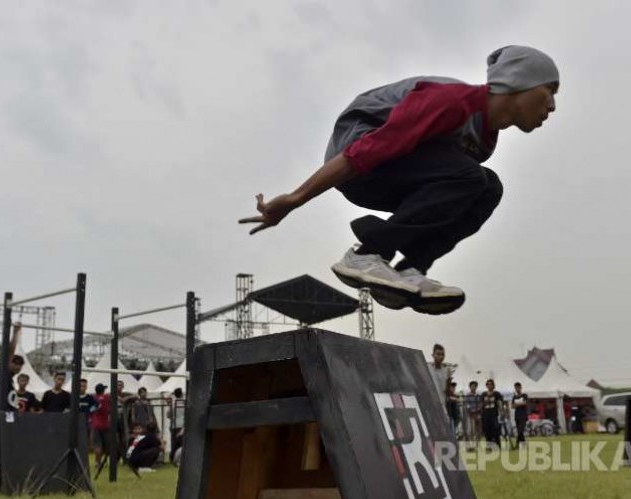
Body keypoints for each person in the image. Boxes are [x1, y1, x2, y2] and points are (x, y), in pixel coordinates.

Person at [239, 46, 559, 315]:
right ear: (519, 83)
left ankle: (410, 269)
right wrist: (295, 200)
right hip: (360, 151)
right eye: (549, 91)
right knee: (471, 176)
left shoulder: (483, 142)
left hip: (397, 174)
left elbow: (444, 197)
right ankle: (366, 254)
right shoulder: (451, 100)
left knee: (487, 187)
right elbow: (366, 151)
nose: (553, 106)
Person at [91, 384, 112, 468]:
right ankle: (102, 461)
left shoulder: (93, 397)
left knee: (97, 445)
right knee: (105, 444)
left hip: (96, 424)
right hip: (105, 424)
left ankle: (98, 462)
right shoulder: (107, 398)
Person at [481, 379, 504, 448]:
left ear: (493, 385)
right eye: (488, 384)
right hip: (485, 415)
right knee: (487, 432)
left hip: (494, 415)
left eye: (490, 384)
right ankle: (489, 446)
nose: (489, 385)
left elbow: (500, 403)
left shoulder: (496, 394)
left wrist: (502, 411)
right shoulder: (483, 394)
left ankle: (497, 445)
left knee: (495, 430)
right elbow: (481, 404)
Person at [167, 387, 186, 465]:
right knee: (181, 444)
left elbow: (168, 415)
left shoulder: (174, 403)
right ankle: (178, 459)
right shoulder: (184, 403)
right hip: (180, 425)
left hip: (175, 426)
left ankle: (173, 458)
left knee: (174, 444)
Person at [463, 381, 482, 451]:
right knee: (470, 431)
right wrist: (472, 412)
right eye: (472, 386)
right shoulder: (467, 396)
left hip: (478, 414)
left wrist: (478, 411)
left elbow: (480, 404)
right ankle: (470, 446)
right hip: (471, 415)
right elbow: (467, 406)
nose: (473, 387)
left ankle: (477, 445)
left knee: (478, 431)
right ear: (470, 387)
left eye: (474, 386)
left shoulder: (478, 395)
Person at [511, 382, 528, 446]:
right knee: (519, 431)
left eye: (518, 388)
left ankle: (517, 444)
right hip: (517, 415)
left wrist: (516, 404)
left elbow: (524, 403)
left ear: (520, 387)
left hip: (523, 415)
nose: (517, 389)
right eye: (515, 388)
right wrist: (520, 404)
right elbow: (512, 406)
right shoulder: (514, 397)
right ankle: (522, 444)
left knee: (521, 430)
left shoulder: (524, 395)